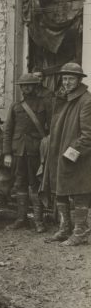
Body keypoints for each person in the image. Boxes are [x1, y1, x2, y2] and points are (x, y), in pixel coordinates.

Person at [43, 63, 91, 246]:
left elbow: (88, 135)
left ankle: (80, 232)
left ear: (79, 80)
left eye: (71, 78)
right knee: (60, 191)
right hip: (59, 153)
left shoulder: (86, 100)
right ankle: (65, 228)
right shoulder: (64, 98)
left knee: (80, 193)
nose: (67, 82)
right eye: (64, 78)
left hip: (77, 157)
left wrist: (70, 155)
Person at [3, 73, 49, 232]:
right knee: (19, 184)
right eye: (23, 85)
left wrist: (46, 147)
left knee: (35, 184)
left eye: (29, 85)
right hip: (18, 152)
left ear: (36, 86)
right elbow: (8, 131)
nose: (26, 88)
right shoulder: (15, 106)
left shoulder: (44, 103)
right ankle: (21, 219)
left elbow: (51, 128)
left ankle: (38, 221)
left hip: (36, 151)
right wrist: (7, 153)